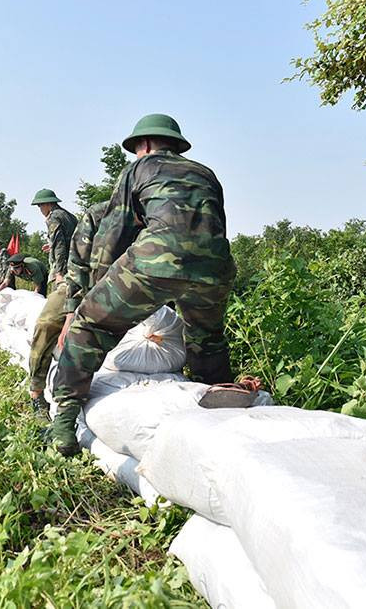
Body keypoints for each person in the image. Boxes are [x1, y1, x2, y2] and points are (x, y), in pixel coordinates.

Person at [49, 114, 237, 456]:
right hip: (216, 267)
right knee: (206, 338)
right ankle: (223, 405)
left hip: (155, 260)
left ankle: (63, 424)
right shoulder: (206, 173)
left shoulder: (138, 169)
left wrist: (94, 299)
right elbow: (215, 227)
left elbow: (112, 235)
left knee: (90, 327)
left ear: (145, 145)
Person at [25, 189, 78, 417]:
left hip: (68, 277)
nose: (40, 211)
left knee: (45, 327)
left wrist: (58, 273)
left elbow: (59, 245)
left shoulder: (54, 217)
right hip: (79, 272)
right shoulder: (69, 216)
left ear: (46, 205)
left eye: (40, 207)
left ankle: (36, 393)